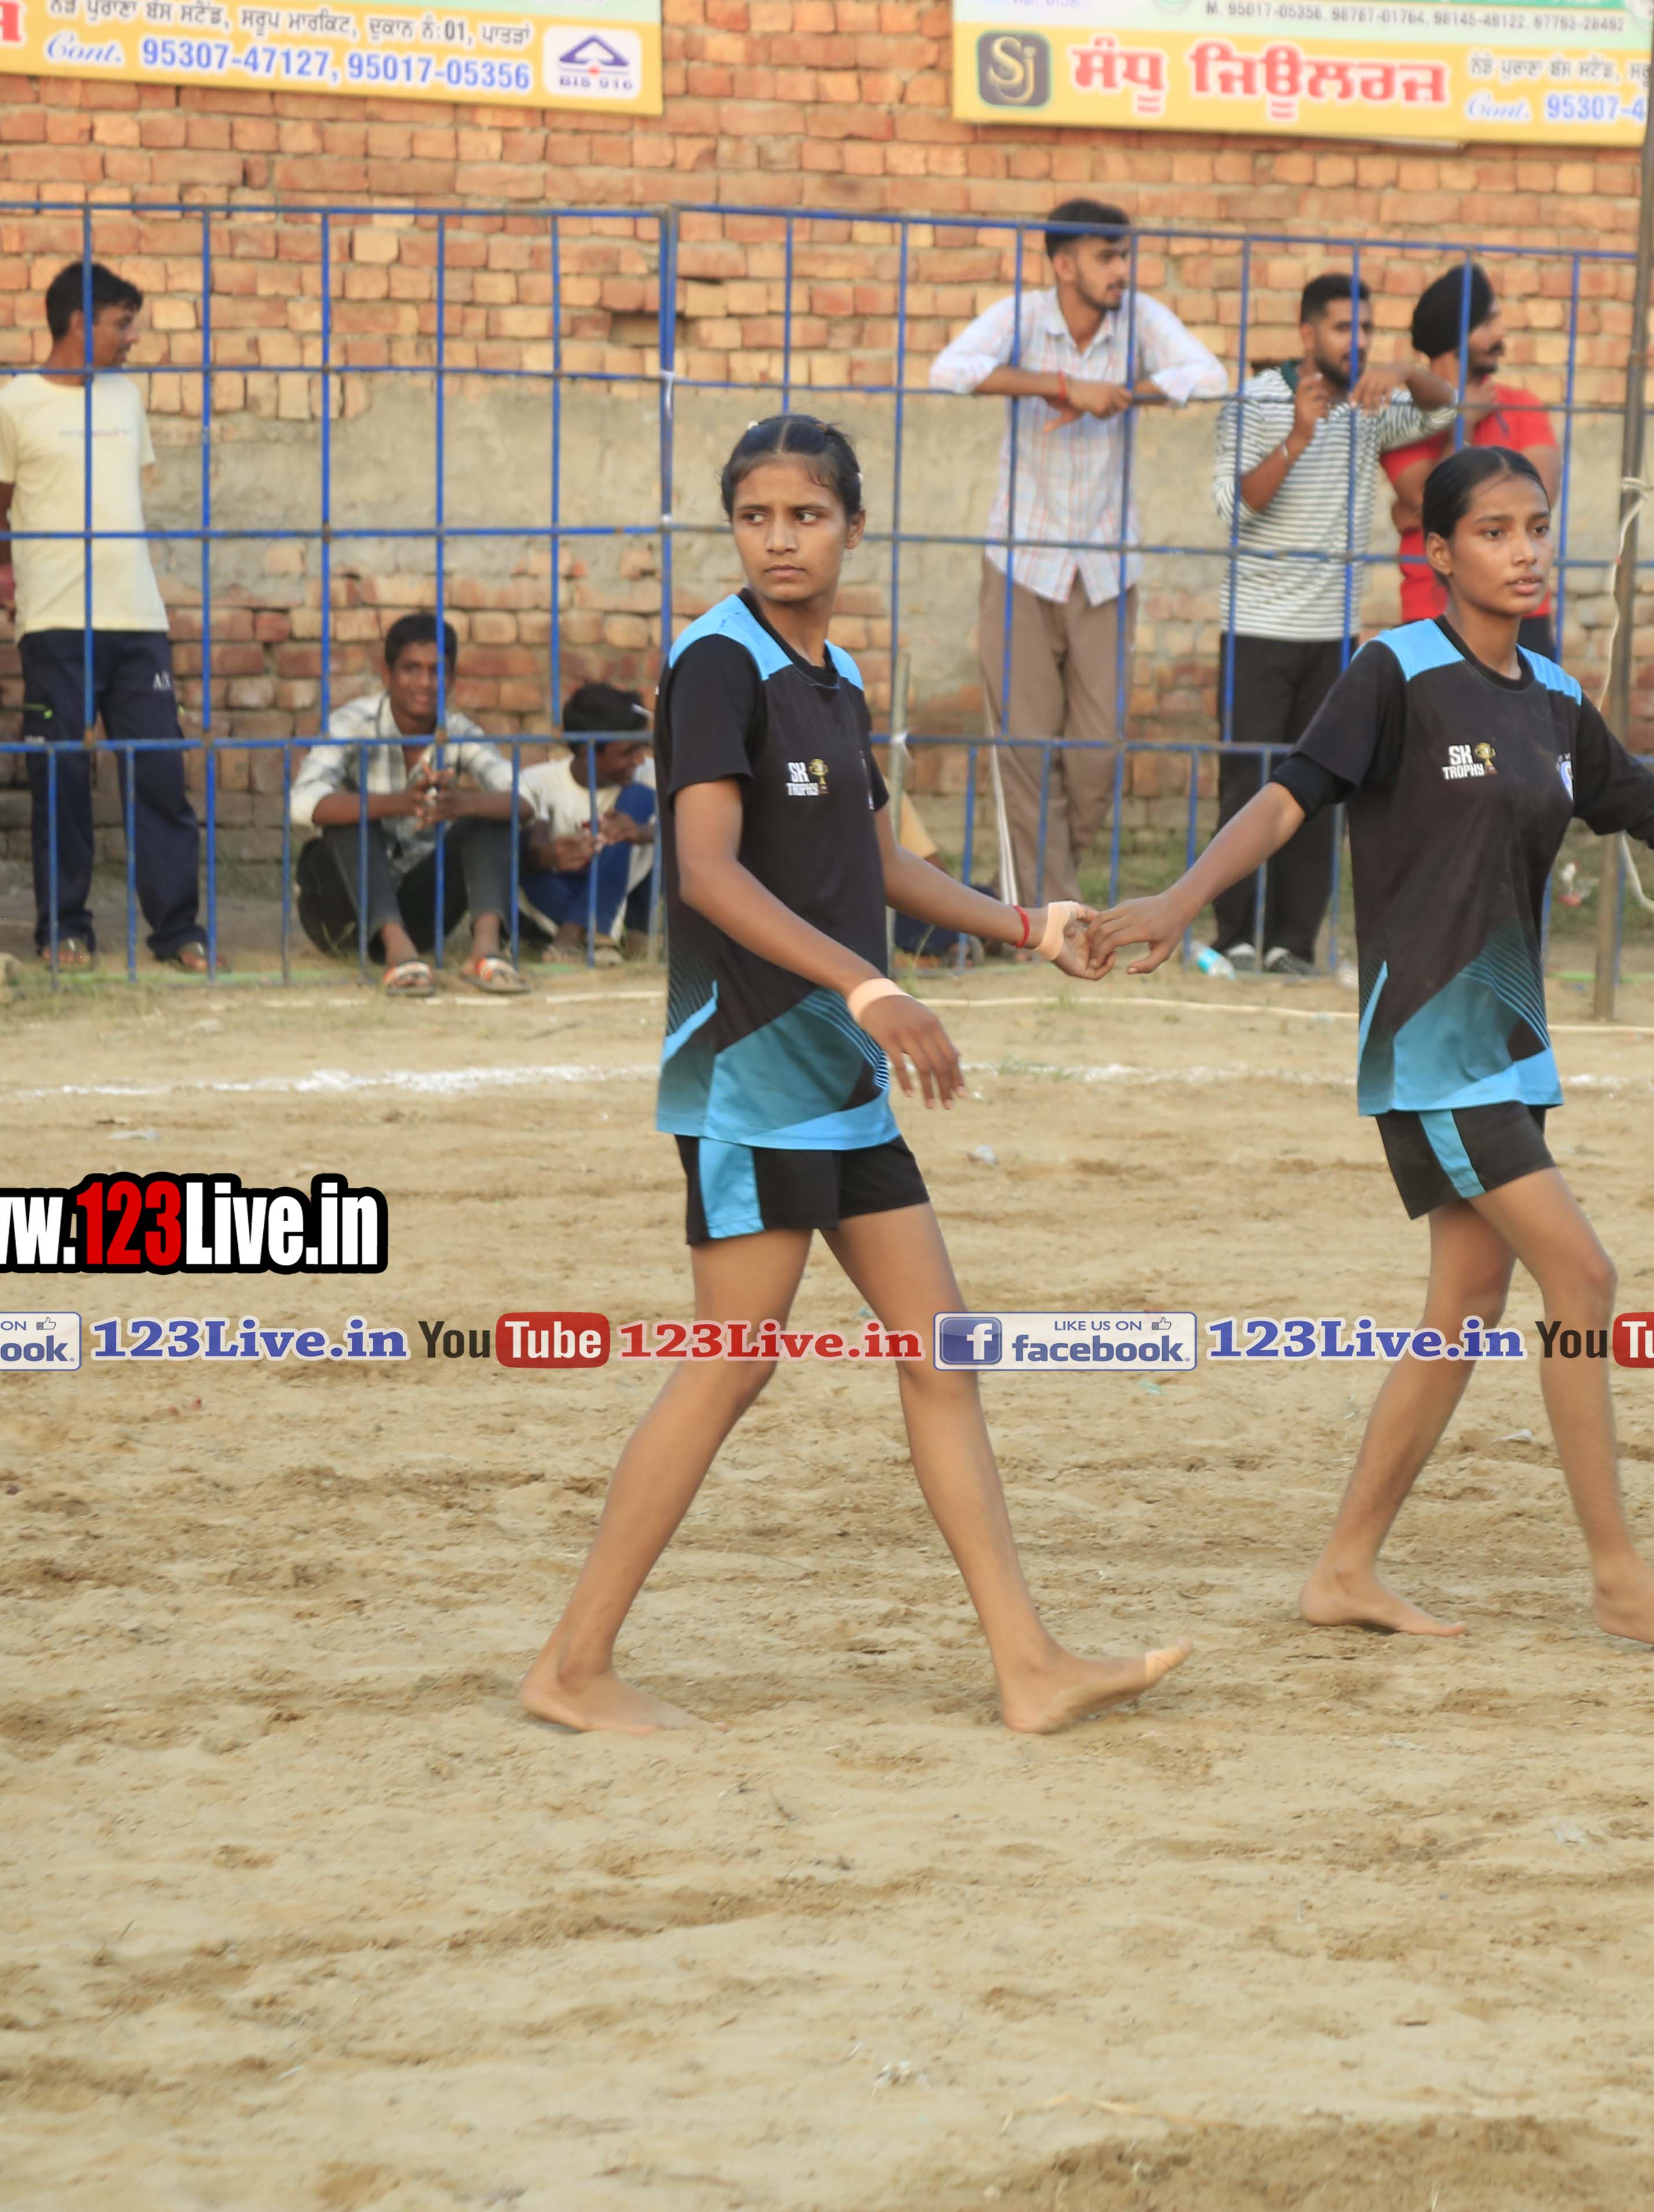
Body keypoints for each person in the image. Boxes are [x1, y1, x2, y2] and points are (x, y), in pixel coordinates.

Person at [1088, 446, 1654, 1656]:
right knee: (1582, 1280)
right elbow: (1288, 797)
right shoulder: (1394, 673)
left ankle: (1343, 1570)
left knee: (1465, 1304)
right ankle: (1620, 1580)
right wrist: (1181, 900)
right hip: (1432, 1049)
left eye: (1536, 526)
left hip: (1510, 1050)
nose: (1525, 550)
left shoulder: (1552, 698)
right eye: (1493, 531)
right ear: (1438, 552)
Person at [521, 413, 1188, 1740]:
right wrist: (868, 987)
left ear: (852, 528)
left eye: (806, 516)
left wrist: (1023, 923)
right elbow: (706, 872)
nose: (780, 539)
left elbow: (872, 858)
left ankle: (1028, 1666)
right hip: (747, 1069)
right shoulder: (716, 663)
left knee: (942, 1350)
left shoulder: (833, 678)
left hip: (834, 1075)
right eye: (756, 516)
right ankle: (572, 1666)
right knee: (730, 1362)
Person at [928, 198, 1230, 916]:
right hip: (1021, 560)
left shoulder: (1139, 319)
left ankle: (1034, 899)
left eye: (1124, 255)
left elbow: (1210, 376)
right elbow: (949, 370)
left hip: (1106, 566)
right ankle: (1049, 918)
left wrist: (1120, 396)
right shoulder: (1024, 317)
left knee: (1098, 754)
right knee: (1024, 749)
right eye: (1106, 257)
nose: (1121, 270)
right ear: (1064, 265)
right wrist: (1062, 387)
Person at [1205, 271, 1458, 976]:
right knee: (1248, 783)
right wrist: (1298, 435)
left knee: (1319, 787)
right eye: (1345, 328)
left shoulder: (1371, 405)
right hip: (1258, 626)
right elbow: (1232, 508)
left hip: (1333, 631)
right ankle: (1236, 936)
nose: (1359, 341)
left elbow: (1446, 407)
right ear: (1308, 333)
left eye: (1367, 329)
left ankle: (1294, 941)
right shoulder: (1257, 400)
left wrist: (1403, 371)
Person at [0, 259, 215, 974]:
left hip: (136, 619)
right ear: (78, 322)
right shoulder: (12, 406)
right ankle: (64, 928)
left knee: (159, 773)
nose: (131, 337)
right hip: (55, 622)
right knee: (61, 777)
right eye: (122, 324)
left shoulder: (124, 398)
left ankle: (178, 931)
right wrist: (12, 577)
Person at [290, 611, 530, 995]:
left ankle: (485, 952)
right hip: (341, 914)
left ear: (452, 679)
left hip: (421, 915)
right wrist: (395, 804)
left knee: (490, 813)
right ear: (387, 674)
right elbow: (301, 803)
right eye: (411, 669)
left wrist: (463, 804)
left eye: (437, 671)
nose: (425, 683)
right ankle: (396, 952)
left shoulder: (458, 731)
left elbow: (524, 800)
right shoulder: (354, 723)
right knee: (349, 815)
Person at [1381, 262, 1564, 660]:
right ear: (1455, 331)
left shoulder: (1523, 407)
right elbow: (1429, 502)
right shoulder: (1405, 419)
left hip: (1521, 612)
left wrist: (1431, 509)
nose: (1501, 334)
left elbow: (1541, 499)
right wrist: (1464, 422)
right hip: (1432, 612)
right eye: (1488, 322)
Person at [518, 679, 658, 965]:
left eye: (641, 748)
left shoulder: (649, 775)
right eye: (628, 752)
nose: (639, 760)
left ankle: (576, 932)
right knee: (515, 843)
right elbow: (529, 851)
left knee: (642, 800)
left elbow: (693, 832)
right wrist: (547, 856)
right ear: (589, 754)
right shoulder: (537, 782)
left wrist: (641, 832)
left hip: (622, 895)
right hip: (556, 896)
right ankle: (596, 933)